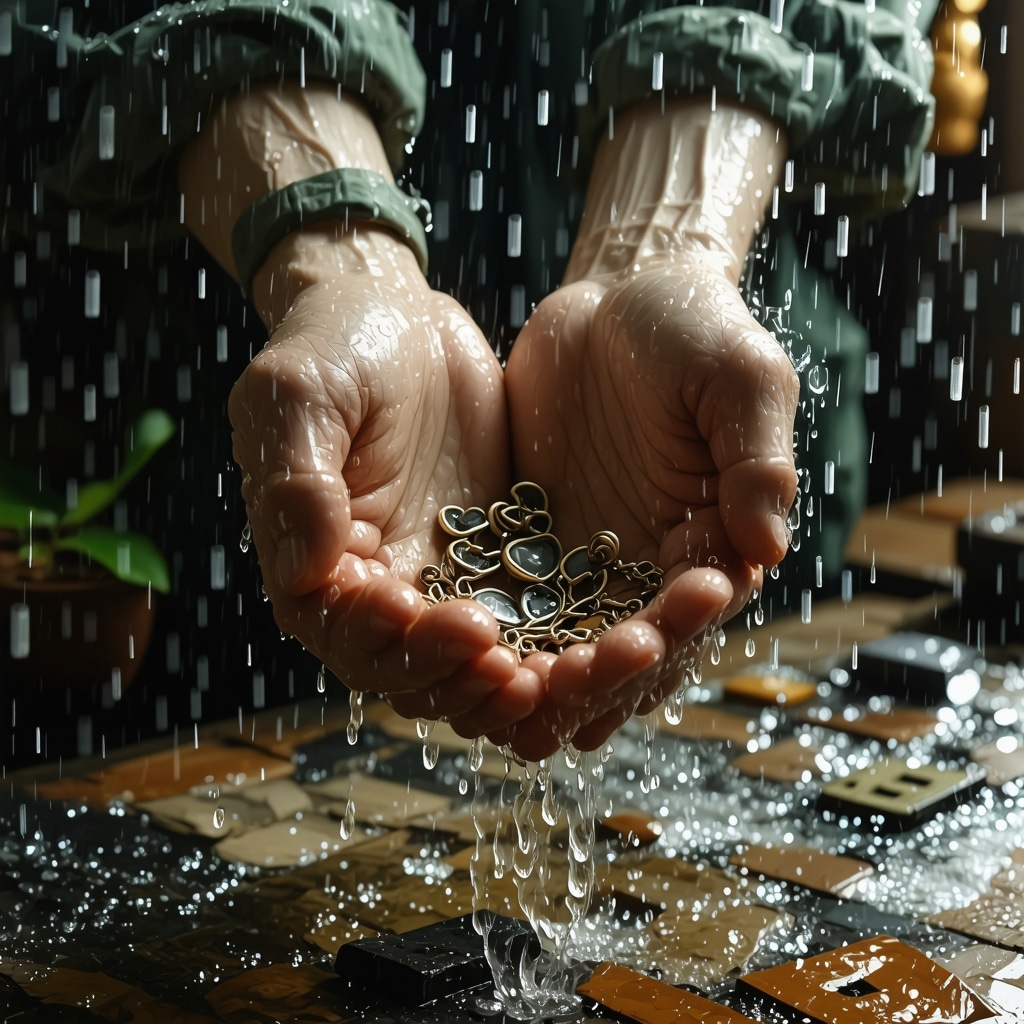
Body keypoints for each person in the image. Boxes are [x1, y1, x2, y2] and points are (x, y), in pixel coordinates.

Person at [1, 1, 937, 765]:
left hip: (682, 448)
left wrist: (667, 244)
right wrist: (340, 265)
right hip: (313, 454)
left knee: (769, 757)